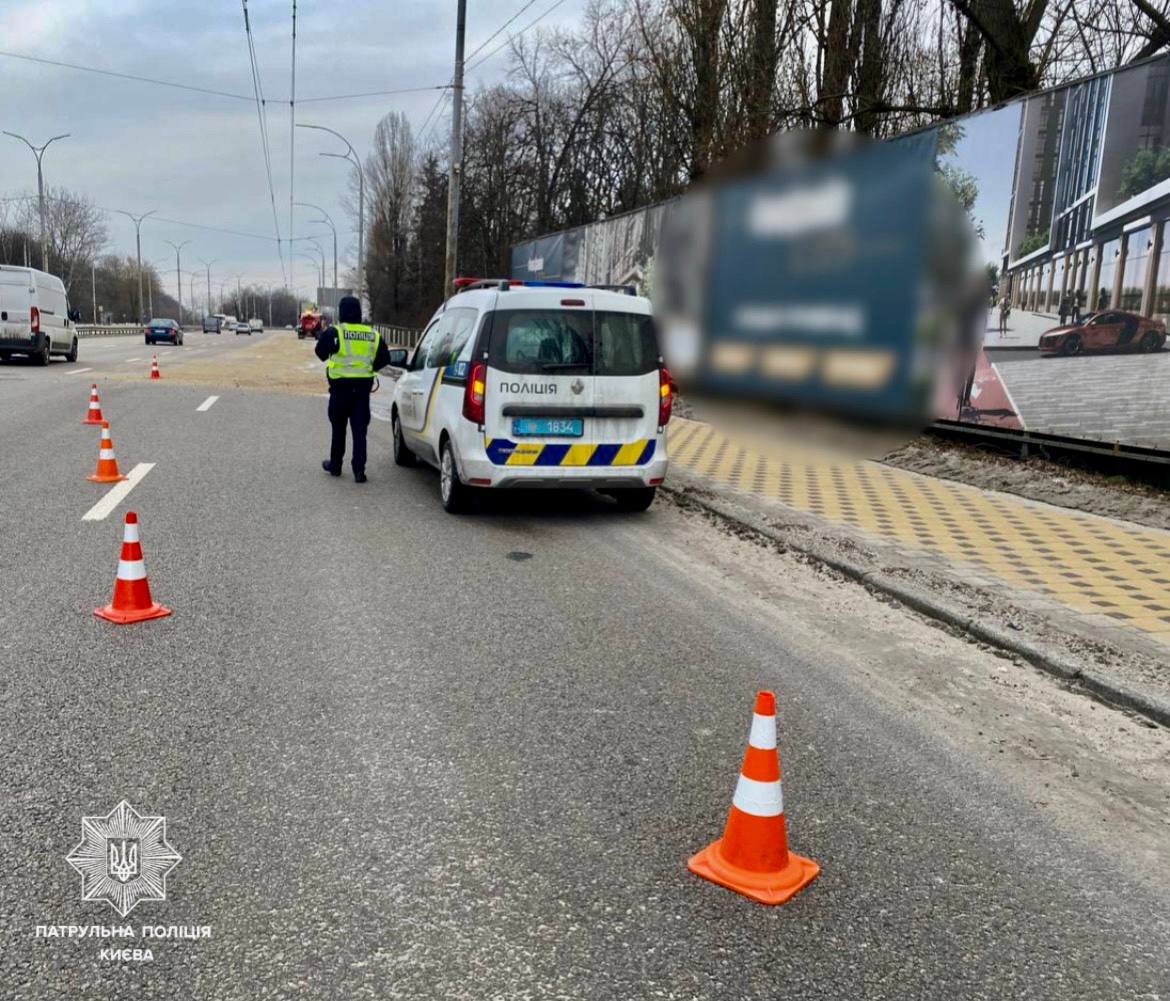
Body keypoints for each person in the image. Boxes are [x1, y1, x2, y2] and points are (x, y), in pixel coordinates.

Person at [314, 295, 390, 483]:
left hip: (340, 390)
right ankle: (359, 471)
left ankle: (336, 466)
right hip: (362, 391)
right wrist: (370, 367)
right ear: (359, 313)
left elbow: (320, 353)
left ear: (341, 312)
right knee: (359, 431)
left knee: (338, 429)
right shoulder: (373, 335)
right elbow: (385, 358)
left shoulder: (335, 332)